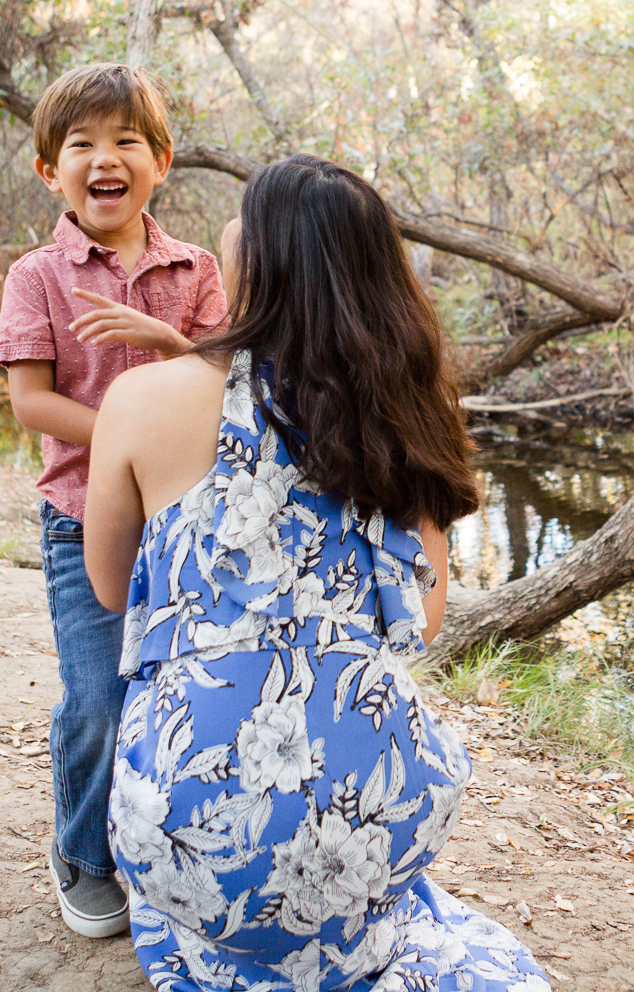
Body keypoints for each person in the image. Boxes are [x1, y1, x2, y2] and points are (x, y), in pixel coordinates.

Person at [81, 154, 548, 992]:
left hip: (190, 827)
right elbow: (427, 618)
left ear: (259, 259)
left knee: (207, 886)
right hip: (368, 815)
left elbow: (112, 590)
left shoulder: (142, 400)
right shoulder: (399, 413)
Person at [0, 62, 229, 939]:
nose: (106, 157)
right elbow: (31, 400)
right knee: (96, 698)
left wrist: (172, 340)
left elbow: (225, 384)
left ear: (160, 161)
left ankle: (163, 846)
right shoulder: (38, 276)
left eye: (126, 140)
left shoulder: (196, 269)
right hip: (78, 518)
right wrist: (126, 433)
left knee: (179, 695)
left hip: (184, 526)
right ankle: (82, 854)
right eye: (82, 143)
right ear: (50, 169)